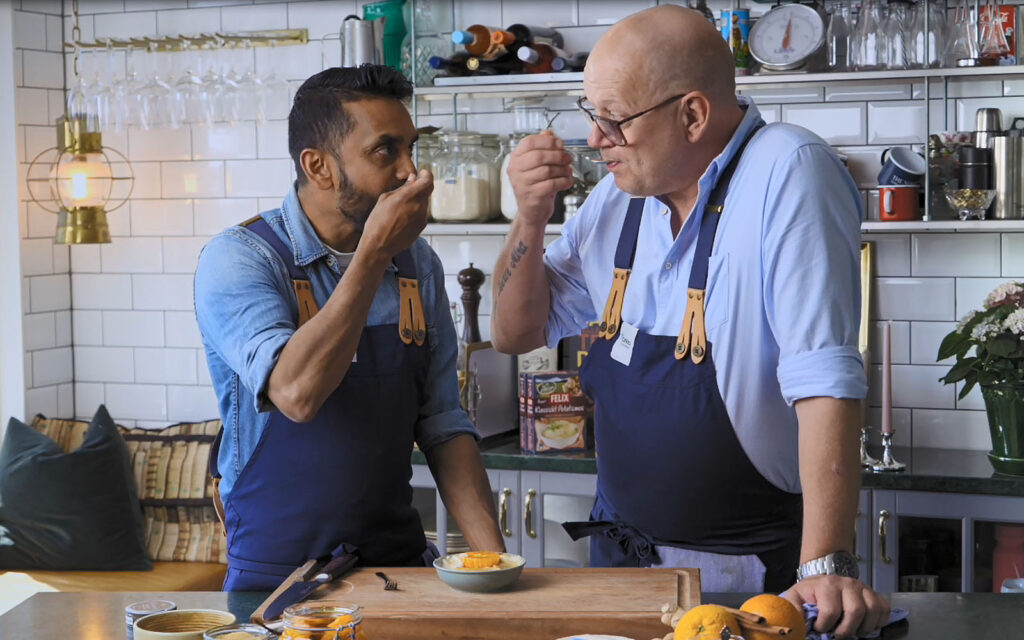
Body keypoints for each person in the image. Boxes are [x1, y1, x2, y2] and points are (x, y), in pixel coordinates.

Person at [491, 6, 890, 638]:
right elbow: (515, 334)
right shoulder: (614, 198)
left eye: (614, 119)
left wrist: (826, 562)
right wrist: (530, 220)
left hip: (748, 578)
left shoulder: (788, 171)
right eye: (590, 113)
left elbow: (824, 377)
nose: (596, 139)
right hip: (622, 569)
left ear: (693, 115)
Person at [194, 65, 504, 591]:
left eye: (412, 148)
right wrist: (373, 252)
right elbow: (295, 392)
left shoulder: (417, 266)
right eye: (385, 151)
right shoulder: (241, 259)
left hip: (398, 569)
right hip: (276, 579)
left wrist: (498, 566)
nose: (412, 172)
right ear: (318, 167)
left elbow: (443, 425)